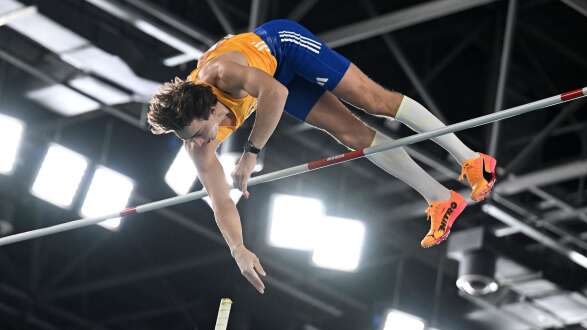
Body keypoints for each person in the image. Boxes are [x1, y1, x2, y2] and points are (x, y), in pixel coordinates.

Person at [147, 19, 497, 294]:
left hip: (283, 46)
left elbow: (275, 91)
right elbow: (220, 200)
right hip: (272, 76)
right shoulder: (197, 143)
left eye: (197, 132)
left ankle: (471, 159)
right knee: (351, 135)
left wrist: (251, 154)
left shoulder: (223, 74)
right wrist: (238, 248)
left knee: (375, 101)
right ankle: (439, 198)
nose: (198, 142)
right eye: (187, 139)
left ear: (210, 106)